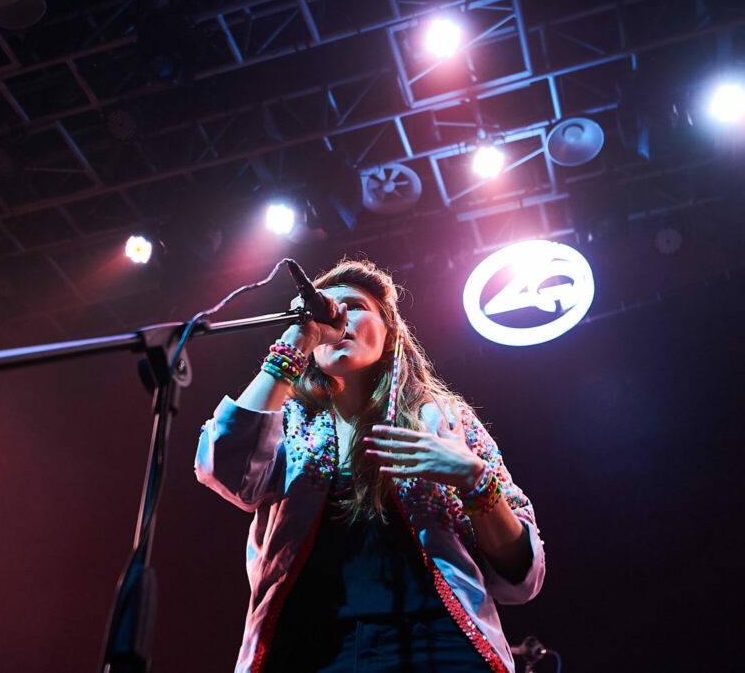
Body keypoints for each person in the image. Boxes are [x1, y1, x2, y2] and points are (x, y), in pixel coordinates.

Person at [196, 259, 544, 672]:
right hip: (307, 648)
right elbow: (225, 469)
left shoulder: (445, 419)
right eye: (325, 308)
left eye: (355, 306)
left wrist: (473, 480)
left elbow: (521, 576)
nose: (337, 316)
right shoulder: (285, 422)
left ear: (390, 330)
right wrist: (298, 337)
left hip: (439, 643)